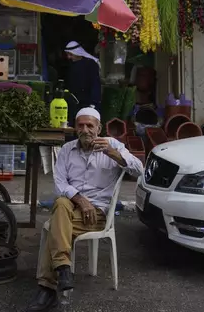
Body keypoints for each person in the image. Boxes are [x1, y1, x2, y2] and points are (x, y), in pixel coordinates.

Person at [25, 107, 144, 312]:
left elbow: (139, 170)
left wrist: (112, 153)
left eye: (90, 125)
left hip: (97, 214)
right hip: (71, 208)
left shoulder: (112, 145)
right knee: (62, 203)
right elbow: (60, 183)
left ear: (99, 127)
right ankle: (63, 268)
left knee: (56, 224)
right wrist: (80, 199)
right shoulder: (67, 150)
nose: (85, 129)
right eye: (81, 125)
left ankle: (48, 287)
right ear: (75, 128)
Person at [63, 41, 102, 126]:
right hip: (74, 102)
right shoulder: (71, 65)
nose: (69, 57)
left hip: (87, 102)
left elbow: (95, 84)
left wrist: (93, 103)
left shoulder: (90, 64)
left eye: (71, 54)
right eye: (68, 54)